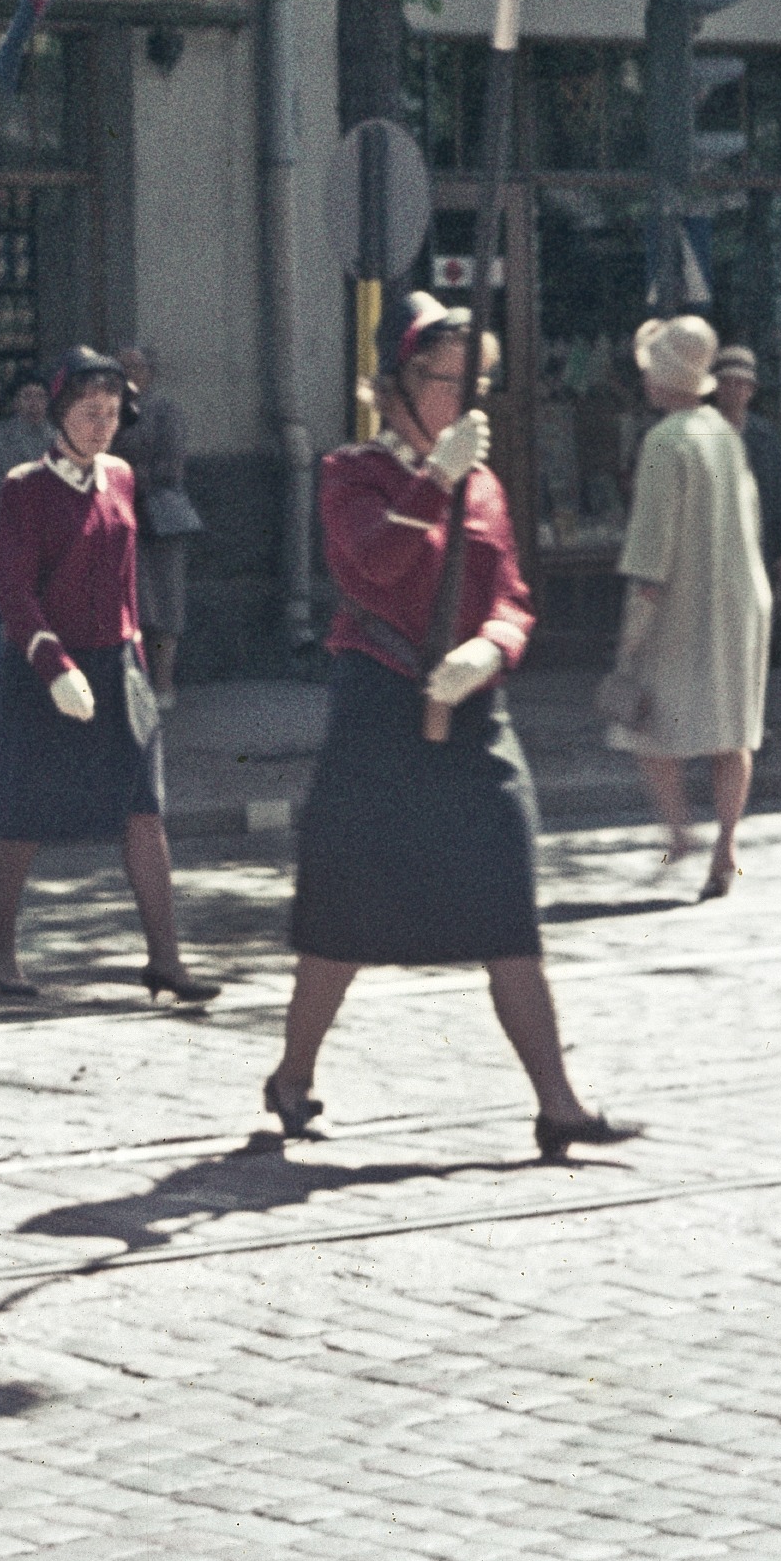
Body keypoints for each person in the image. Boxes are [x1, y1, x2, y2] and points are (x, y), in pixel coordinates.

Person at [265, 295, 635, 1161]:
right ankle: (293, 1075)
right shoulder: (351, 473)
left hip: (470, 715)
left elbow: (511, 595)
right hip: (379, 705)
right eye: (448, 379)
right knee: (341, 917)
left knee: (507, 905)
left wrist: (491, 649)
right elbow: (370, 562)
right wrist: (431, 483)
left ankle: (558, 1104)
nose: (468, 398)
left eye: (480, 381)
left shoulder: (487, 481)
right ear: (396, 385)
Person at [0, 349, 213, 1003]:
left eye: (112, 413)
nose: (101, 425)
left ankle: (166, 960)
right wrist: (54, 667)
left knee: (145, 814)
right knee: (23, 817)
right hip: (48, 670)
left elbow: (125, 577)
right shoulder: (26, 486)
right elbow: (15, 592)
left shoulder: (122, 477)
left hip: (118, 666)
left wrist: (135, 656)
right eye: (89, 412)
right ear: (59, 414)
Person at [606, 316, 771, 899]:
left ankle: (680, 830)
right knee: (734, 733)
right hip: (742, 602)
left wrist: (631, 637)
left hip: (682, 606)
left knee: (648, 722)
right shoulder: (725, 433)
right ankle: (725, 848)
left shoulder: (664, 441)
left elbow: (651, 549)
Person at [709, 344, 781, 654]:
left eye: (742, 384)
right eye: (727, 382)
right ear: (716, 388)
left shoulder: (765, 436)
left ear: (751, 390)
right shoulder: (703, 434)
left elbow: (780, 494)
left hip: (757, 548)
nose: (734, 390)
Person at [117, 346, 200, 706]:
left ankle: (163, 684)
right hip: (120, 515)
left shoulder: (165, 409)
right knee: (134, 603)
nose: (128, 373)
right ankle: (134, 684)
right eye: (121, 367)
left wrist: (127, 476)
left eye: (134, 366)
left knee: (164, 603)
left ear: (150, 371)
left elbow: (172, 465)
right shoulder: (112, 409)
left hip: (159, 515)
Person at [0, 377, 55, 483]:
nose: (34, 403)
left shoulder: (58, 436)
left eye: (40, 397)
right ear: (15, 402)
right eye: (27, 396)